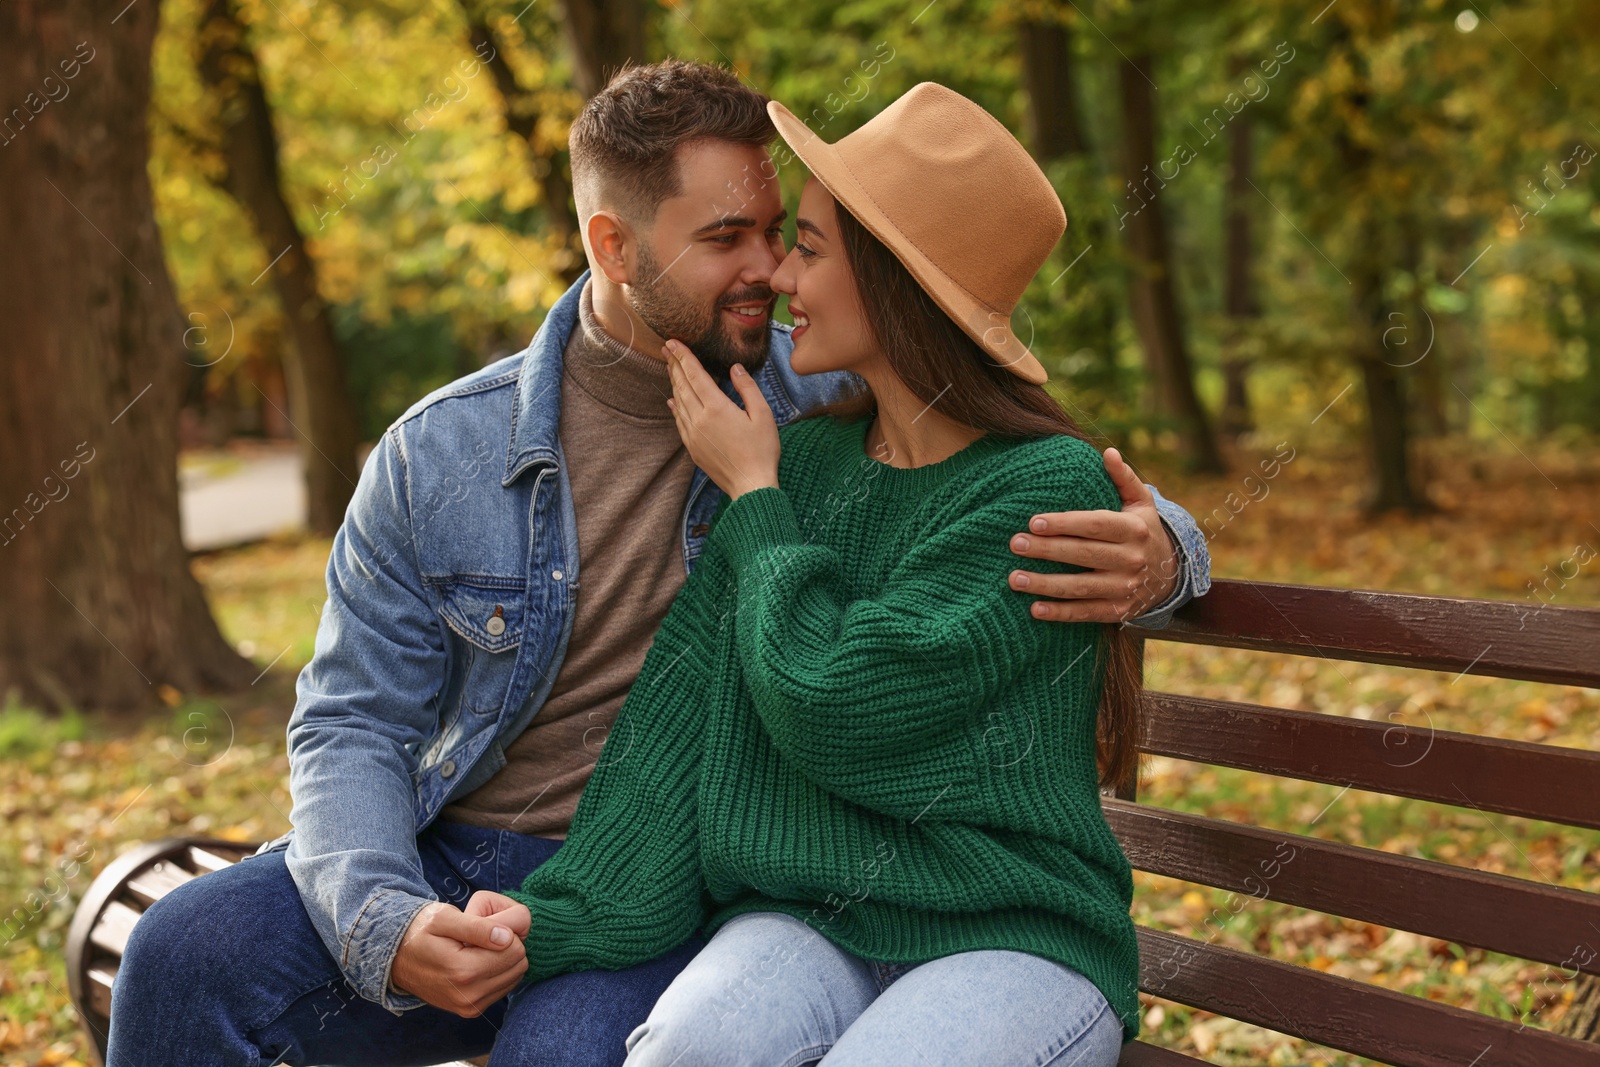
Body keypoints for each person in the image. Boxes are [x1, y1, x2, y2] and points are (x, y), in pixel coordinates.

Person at [107, 62, 1205, 1067]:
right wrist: (382, 915)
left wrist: (1168, 554)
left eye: (788, 235)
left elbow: (1022, 466)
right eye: (730, 237)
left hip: (678, 876)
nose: (771, 274)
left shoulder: (806, 399)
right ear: (612, 246)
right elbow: (350, 719)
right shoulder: (443, 451)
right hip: (465, 848)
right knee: (176, 952)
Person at [482, 81, 1145, 1065]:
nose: (780, 274)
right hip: (808, 917)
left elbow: (840, 703)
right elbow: (681, 719)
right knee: (679, 1049)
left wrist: (751, 495)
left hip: (1013, 928)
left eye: (812, 248)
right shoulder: (807, 462)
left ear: (897, 283)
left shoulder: (1038, 487)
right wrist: (555, 915)